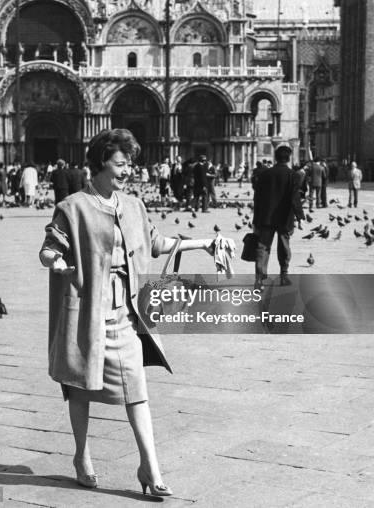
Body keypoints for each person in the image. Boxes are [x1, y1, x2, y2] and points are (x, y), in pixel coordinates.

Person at [38, 129, 233, 495]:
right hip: (86, 309)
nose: (128, 171)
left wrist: (205, 243)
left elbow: (156, 243)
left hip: (127, 311)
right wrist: (57, 261)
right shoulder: (73, 206)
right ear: (100, 163)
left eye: (130, 164)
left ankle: (150, 468)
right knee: (79, 387)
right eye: (120, 163)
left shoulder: (134, 206)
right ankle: (82, 455)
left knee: (136, 388)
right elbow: (50, 247)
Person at [253, 145, 305, 289]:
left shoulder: (265, 174)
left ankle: (260, 279)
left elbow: (257, 198)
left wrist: (255, 221)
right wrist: (300, 217)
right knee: (284, 247)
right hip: (284, 218)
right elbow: (295, 198)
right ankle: (284, 276)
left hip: (266, 218)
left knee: (263, 247)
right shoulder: (292, 175)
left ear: (275, 158)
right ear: (288, 158)